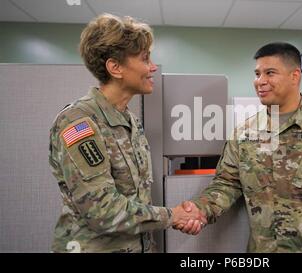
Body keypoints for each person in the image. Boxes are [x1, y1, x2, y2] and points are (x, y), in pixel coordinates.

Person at [176, 42, 302, 252]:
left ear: (295, 76)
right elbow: (227, 183)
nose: (260, 81)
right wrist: (200, 209)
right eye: (257, 74)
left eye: (270, 73)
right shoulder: (244, 133)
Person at [48, 13, 205, 253]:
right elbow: (102, 211)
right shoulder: (79, 123)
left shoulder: (130, 121)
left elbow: (136, 198)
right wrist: (172, 216)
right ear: (115, 67)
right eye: (144, 59)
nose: (152, 67)